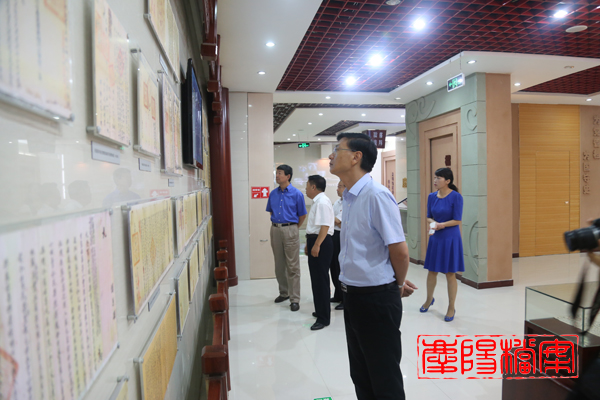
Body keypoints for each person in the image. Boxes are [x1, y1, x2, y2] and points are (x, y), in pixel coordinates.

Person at [329, 132, 417, 400]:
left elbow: (400, 252)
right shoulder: (349, 197)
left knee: (384, 378)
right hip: (353, 295)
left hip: (376, 299)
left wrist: (396, 285)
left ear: (356, 157)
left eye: (337, 149)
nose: (331, 156)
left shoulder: (376, 195)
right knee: (361, 374)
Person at [420, 167, 464, 322]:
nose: (435, 180)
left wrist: (442, 225)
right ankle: (428, 299)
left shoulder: (456, 197)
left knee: (450, 273)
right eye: (435, 177)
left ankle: (451, 306)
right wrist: (434, 223)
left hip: (450, 238)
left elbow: (457, 220)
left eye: (438, 178)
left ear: (448, 181)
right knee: (432, 271)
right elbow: (428, 217)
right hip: (436, 237)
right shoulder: (432, 196)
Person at [266, 164, 307, 312]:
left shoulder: (297, 194)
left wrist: (293, 228)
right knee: (279, 264)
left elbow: (302, 215)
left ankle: (294, 298)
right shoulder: (273, 194)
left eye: (280, 173)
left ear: (288, 176)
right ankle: (284, 293)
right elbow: (271, 212)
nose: (277, 176)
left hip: (290, 229)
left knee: (293, 266)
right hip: (275, 229)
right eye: (276, 173)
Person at [304, 175, 335, 330]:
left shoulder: (322, 202)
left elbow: (324, 226)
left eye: (307, 186)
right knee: (316, 279)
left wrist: (316, 245)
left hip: (321, 241)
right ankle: (320, 310)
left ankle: (324, 318)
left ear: (314, 187)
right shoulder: (318, 201)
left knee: (321, 280)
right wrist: (309, 244)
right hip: (315, 240)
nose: (305, 189)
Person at [329, 180, 345, 310]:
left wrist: (335, 220)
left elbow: (337, 220)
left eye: (340, 187)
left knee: (341, 267)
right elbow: (334, 221)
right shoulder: (337, 203)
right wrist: (335, 220)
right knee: (333, 266)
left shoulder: (349, 203)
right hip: (333, 235)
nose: (337, 189)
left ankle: (345, 299)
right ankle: (338, 294)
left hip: (342, 237)